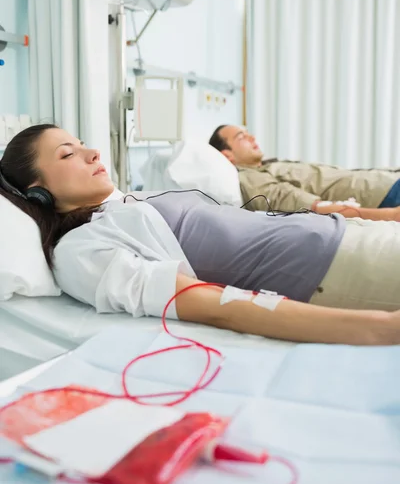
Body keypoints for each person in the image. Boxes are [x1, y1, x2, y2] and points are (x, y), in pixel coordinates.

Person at [1, 124, 400, 347]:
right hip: (339, 268)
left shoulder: (125, 203)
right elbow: (213, 304)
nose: (93, 154)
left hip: (347, 234)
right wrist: (379, 327)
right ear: (36, 191)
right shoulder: (80, 249)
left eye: (84, 144)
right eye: (68, 154)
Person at [209, 124, 400, 220]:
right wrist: (390, 215)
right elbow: (315, 207)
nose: (251, 137)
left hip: (386, 180)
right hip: (383, 195)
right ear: (227, 156)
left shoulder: (268, 165)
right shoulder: (250, 178)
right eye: (241, 137)